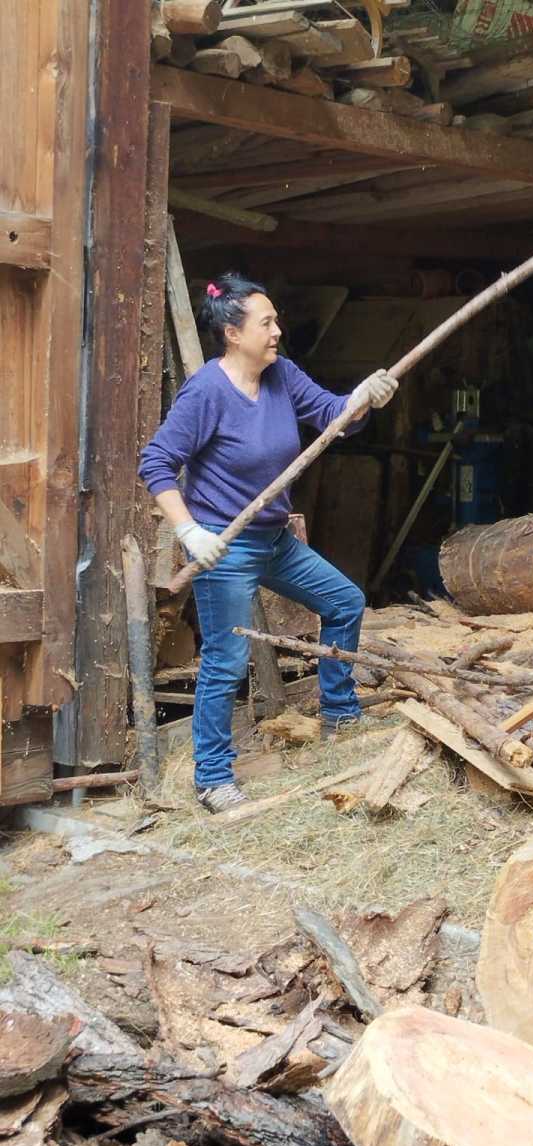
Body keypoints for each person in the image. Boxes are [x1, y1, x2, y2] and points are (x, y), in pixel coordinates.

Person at [139, 273, 398, 813]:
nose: (277, 331)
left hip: (274, 538)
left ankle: (340, 715)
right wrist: (190, 531)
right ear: (233, 334)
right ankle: (213, 779)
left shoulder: (281, 374)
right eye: (267, 322)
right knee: (227, 659)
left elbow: (332, 416)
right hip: (225, 546)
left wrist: (363, 399)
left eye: (276, 320)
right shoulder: (207, 391)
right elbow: (156, 462)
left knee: (344, 602)